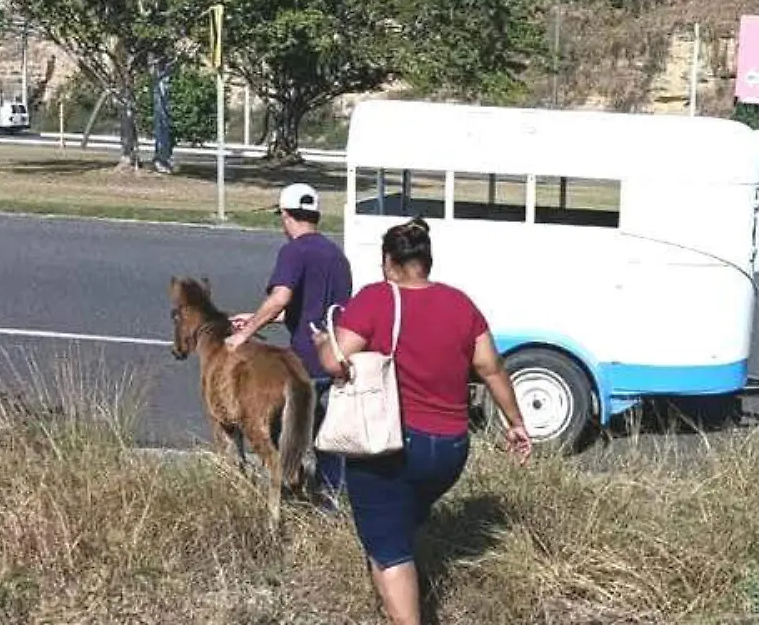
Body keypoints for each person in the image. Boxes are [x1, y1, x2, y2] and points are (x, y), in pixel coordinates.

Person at [311, 216, 531, 625]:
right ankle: (398, 596)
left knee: (388, 547)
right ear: (426, 262)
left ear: (388, 262)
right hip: (450, 449)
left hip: (391, 443)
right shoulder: (460, 304)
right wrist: (515, 422)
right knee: (398, 522)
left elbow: (334, 363)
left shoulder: (377, 298)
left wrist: (323, 341)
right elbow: (492, 368)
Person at [226, 182, 353, 505]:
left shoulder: (294, 251)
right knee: (329, 439)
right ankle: (332, 503)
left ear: (286, 215)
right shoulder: (336, 255)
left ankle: (284, 499)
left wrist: (245, 332)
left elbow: (280, 297)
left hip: (306, 362)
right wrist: (257, 318)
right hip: (337, 358)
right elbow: (321, 310)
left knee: (285, 436)